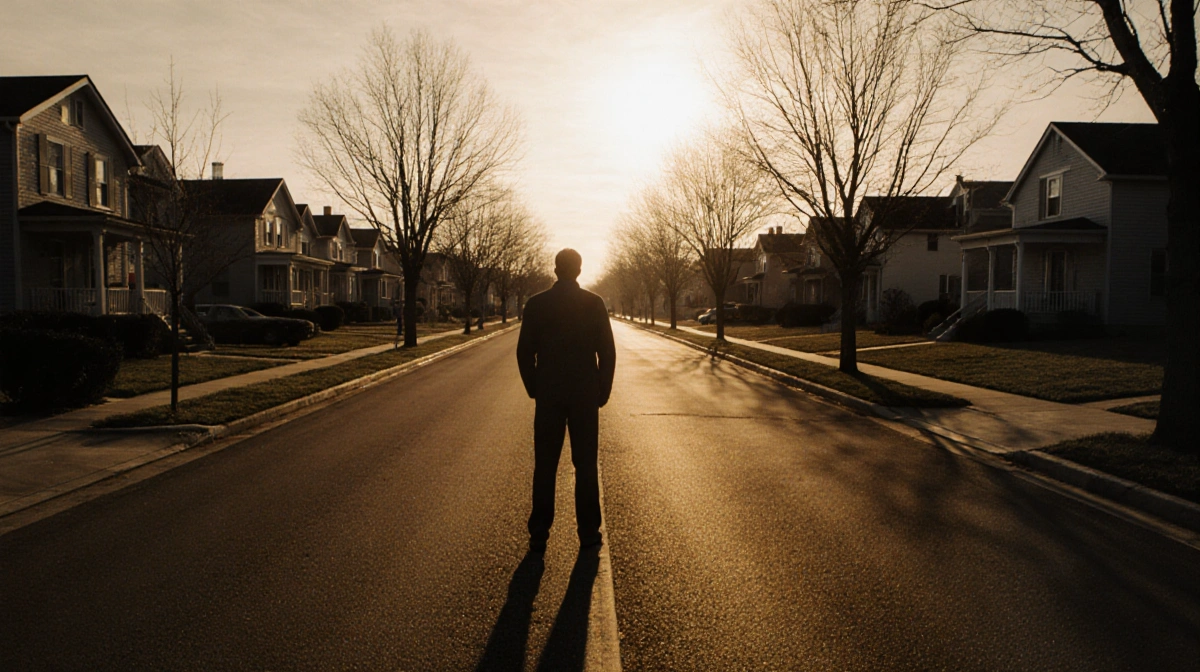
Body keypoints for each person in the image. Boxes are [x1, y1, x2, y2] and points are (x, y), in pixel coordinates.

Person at [516, 248, 616, 554]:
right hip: (584, 394)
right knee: (585, 465)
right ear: (579, 270)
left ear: (555, 269)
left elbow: (524, 352)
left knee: (545, 465)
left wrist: (535, 388)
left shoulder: (536, 304)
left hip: (549, 393)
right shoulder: (593, 303)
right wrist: (602, 391)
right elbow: (607, 352)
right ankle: (589, 533)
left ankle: (539, 532)